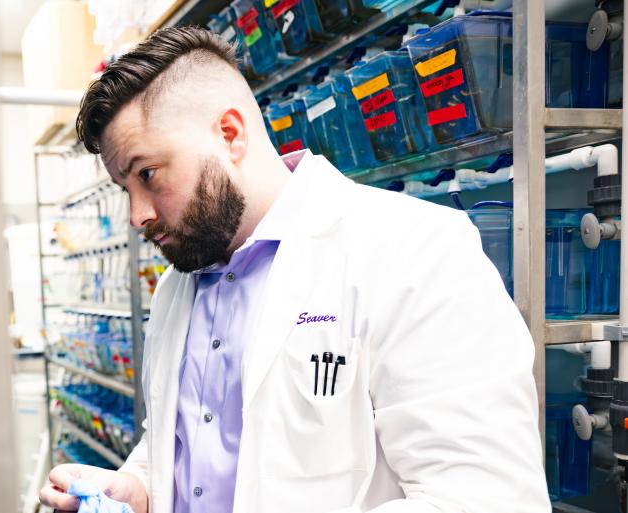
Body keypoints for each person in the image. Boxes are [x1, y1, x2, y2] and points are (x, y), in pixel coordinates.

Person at [38, 26, 549, 513]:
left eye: (148, 174)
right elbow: (187, 441)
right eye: (126, 189)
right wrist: (142, 489)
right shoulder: (177, 286)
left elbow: (486, 496)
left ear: (230, 134)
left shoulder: (414, 250)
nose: (137, 215)